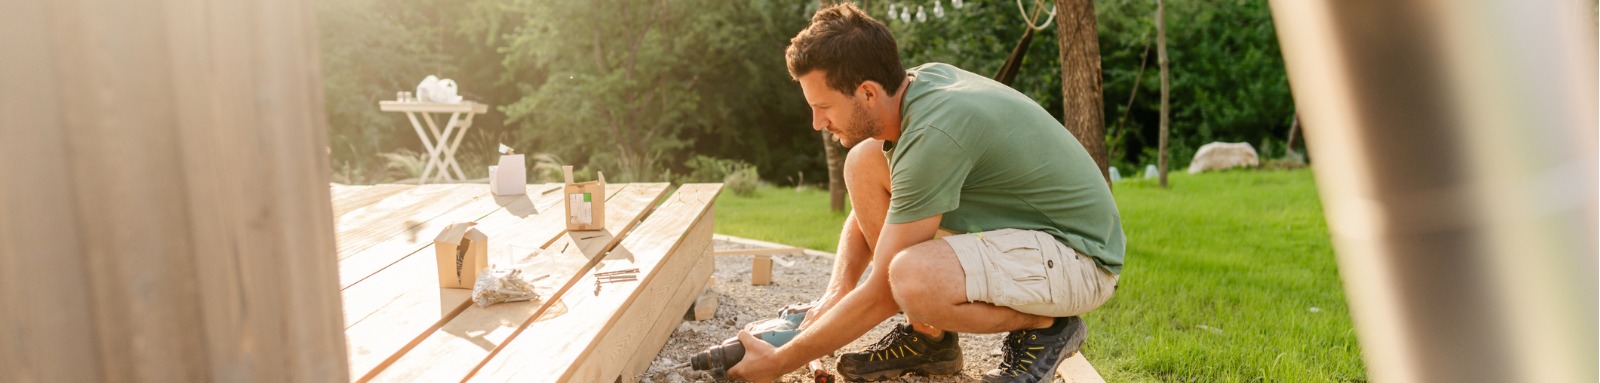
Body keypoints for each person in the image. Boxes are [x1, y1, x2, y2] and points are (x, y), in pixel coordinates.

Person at [727, 3, 1125, 383]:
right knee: (864, 162)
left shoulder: (933, 134)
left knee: (910, 278)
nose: (817, 123)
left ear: (867, 92)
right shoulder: (912, 91)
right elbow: (884, 201)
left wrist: (780, 360)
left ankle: (1050, 325)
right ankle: (929, 340)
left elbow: (882, 293)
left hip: (1081, 259)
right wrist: (837, 292)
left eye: (824, 106)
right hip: (1036, 243)